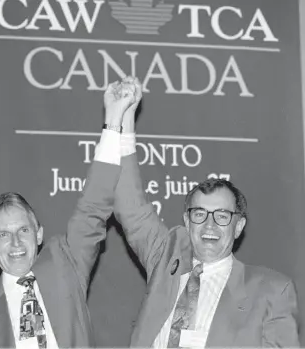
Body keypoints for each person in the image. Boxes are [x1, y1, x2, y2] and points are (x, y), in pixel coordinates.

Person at [113, 76, 300, 347]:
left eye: (222, 216)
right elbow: (128, 204)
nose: (209, 226)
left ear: (238, 226)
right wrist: (125, 118)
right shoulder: (165, 259)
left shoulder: (271, 290)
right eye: (200, 214)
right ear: (187, 221)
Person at [0, 81, 136, 348]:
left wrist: (114, 120)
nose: (15, 243)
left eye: (23, 230)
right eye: (3, 234)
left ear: (39, 234)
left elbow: (92, 206)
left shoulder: (65, 266)